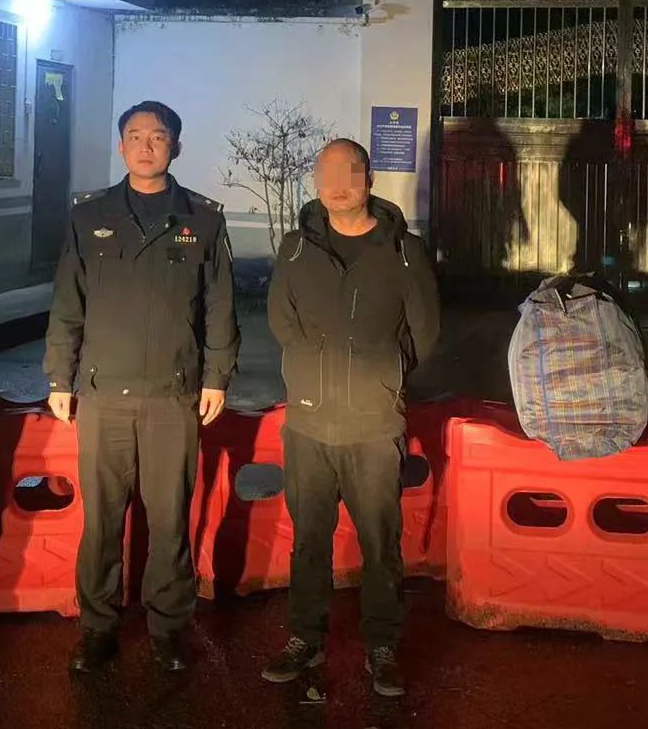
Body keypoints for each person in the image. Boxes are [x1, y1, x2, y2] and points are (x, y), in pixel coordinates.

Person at [43, 101, 240, 674]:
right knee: (101, 520)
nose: (146, 146)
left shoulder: (203, 219)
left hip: (172, 396)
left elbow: (220, 305)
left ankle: (167, 629)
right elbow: (68, 301)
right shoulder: (89, 216)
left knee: (171, 518)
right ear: (121, 146)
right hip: (103, 392)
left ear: (176, 146)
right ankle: (97, 628)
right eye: (135, 136)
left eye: (158, 136)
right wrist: (60, 375)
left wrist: (217, 376)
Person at [262, 139, 440, 696]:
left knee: (380, 542)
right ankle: (305, 638)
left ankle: (382, 646)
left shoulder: (404, 251)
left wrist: (382, 373)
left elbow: (424, 332)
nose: (339, 183)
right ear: (316, 181)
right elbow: (281, 320)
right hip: (309, 423)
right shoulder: (296, 248)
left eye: (351, 170)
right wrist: (312, 369)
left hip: (373, 425)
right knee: (308, 540)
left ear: (369, 179)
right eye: (328, 171)